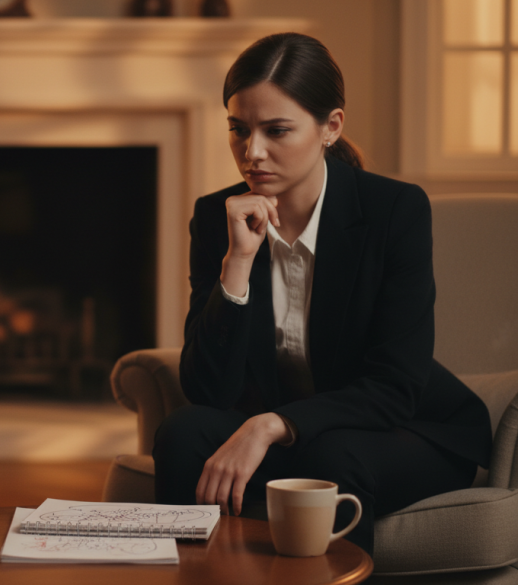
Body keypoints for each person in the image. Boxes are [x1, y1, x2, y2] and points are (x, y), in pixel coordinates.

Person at [152, 32, 491, 555]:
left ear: (330, 127)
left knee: (333, 458)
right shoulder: (218, 215)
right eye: (238, 130)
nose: (252, 152)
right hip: (303, 431)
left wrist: (271, 426)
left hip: (406, 429)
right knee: (183, 432)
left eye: (276, 130)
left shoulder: (393, 211)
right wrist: (238, 262)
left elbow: (394, 386)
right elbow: (207, 390)